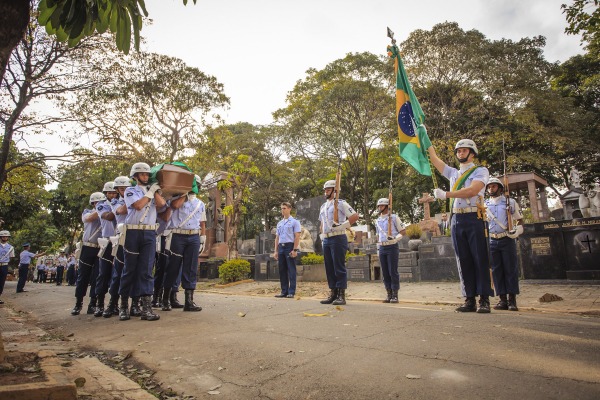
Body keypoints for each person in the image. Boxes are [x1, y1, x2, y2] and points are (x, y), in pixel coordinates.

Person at [429, 139, 494, 313]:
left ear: (472, 153)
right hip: (457, 219)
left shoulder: (480, 171)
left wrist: (446, 194)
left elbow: (473, 190)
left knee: (479, 258)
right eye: (458, 151)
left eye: (464, 150)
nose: (460, 153)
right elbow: (435, 160)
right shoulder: (453, 173)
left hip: (474, 217)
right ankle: (469, 298)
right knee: (463, 259)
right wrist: (424, 137)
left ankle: (484, 299)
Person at [119, 162, 166, 321]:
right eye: (143, 174)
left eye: (147, 174)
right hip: (133, 232)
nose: (146, 176)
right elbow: (138, 206)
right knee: (130, 269)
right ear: (136, 176)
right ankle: (124, 306)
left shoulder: (151, 191)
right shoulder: (130, 191)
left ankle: (146, 308)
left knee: (146, 270)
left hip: (149, 232)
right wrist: (150, 193)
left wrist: (155, 190)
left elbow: (162, 205)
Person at [162, 175, 205, 312]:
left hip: (193, 236)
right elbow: (174, 206)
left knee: (191, 268)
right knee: (173, 267)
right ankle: (166, 298)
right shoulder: (176, 199)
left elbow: (202, 222)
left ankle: (189, 301)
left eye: (195, 185)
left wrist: (203, 237)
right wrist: (184, 193)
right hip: (178, 235)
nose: (194, 188)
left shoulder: (200, 203)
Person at [485, 177, 524, 311]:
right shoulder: (484, 205)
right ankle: (502, 300)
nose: (491, 189)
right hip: (492, 240)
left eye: (494, 186)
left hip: (507, 238)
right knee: (496, 271)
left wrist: (517, 230)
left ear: (500, 188)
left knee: (510, 269)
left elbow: (519, 220)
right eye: (489, 187)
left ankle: (512, 300)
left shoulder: (510, 202)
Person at [318, 180, 359, 305]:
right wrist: (322, 236)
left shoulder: (341, 203)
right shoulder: (323, 206)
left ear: (335, 191)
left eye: (328, 189)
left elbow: (355, 216)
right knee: (329, 268)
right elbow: (322, 223)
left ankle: (341, 295)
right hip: (327, 239)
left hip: (338, 237)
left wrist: (342, 226)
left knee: (338, 267)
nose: (326, 192)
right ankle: (333, 293)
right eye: (325, 190)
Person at [71, 192, 104, 315]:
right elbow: (90, 218)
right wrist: (103, 207)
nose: (98, 204)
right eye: (96, 203)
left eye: (101, 202)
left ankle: (93, 304)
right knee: (83, 277)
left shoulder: (107, 212)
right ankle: (78, 303)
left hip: (101, 247)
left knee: (97, 277)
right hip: (88, 247)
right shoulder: (87, 212)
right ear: (93, 203)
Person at [104, 176, 131, 318]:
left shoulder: (138, 196)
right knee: (118, 272)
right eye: (122, 189)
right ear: (117, 190)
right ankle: (113, 303)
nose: (125, 191)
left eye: (127, 188)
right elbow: (121, 211)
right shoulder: (115, 202)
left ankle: (135, 304)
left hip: (136, 236)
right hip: (122, 237)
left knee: (136, 272)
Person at [374, 198, 406, 303]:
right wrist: (378, 249)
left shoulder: (394, 218)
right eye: (379, 206)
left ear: (387, 206)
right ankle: (388, 293)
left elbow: (403, 231)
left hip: (392, 246)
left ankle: (395, 294)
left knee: (393, 271)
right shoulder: (377, 220)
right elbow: (378, 236)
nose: (379, 208)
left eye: (382, 206)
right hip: (382, 247)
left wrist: (395, 238)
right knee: (385, 272)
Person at [94, 181, 118, 317]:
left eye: (114, 192)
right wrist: (118, 207)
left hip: (120, 240)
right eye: (110, 193)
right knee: (103, 273)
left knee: (118, 274)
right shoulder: (101, 205)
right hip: (107, 240)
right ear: (105, 194)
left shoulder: (121, 202)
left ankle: (114, 304)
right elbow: (108, 217)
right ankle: (99, 304)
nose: (113, 195)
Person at [272, 202, 301, 298]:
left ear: (289, 209)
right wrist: (275, 251)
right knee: (282, 269)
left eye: (284, 208)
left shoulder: (295, 222)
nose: (282, 210)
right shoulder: (279, 223)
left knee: (291, 269)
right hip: (281, 247)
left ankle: (291, 292)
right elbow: (277, 238)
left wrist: (295, 249)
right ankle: (284, 291)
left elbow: (297, 236)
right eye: (281, 208)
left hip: (290, 246)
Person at [0, 230, 16, 304]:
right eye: (3, 236)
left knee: (2, 281)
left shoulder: (11, 248)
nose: (5, 237)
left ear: (8, 238)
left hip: (4, 265)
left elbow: (11, 257)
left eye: (6, 236)